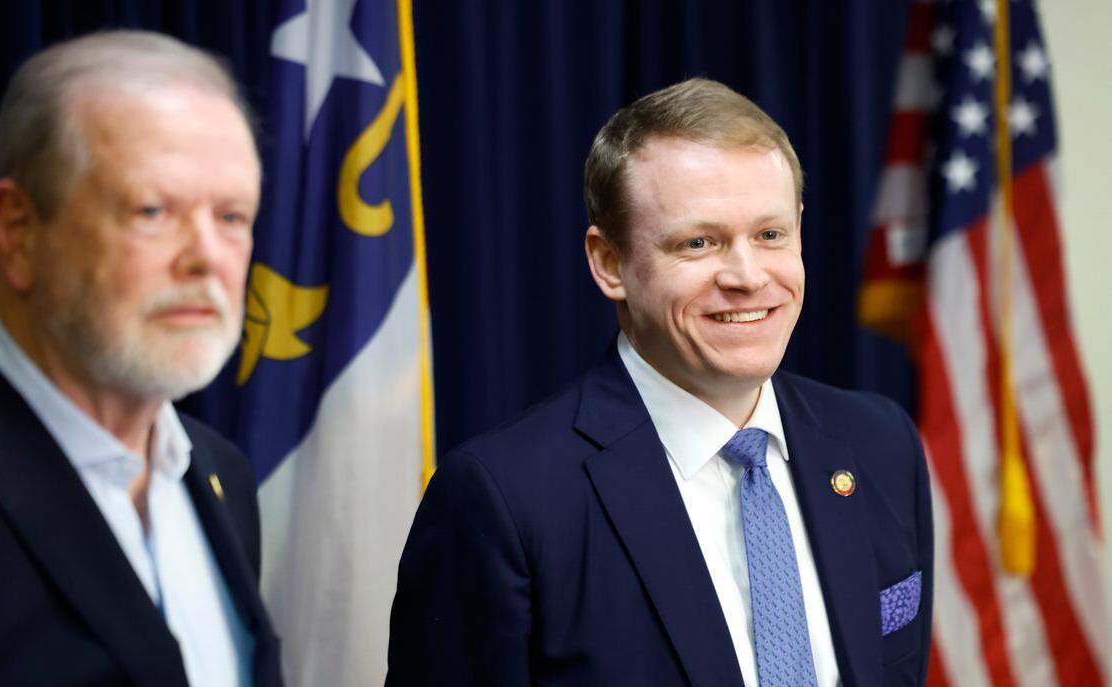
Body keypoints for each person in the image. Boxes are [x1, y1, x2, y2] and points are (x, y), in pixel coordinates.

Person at [387, 78, 932, 686]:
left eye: (770, 235)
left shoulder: (881, 443)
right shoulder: (504, 500)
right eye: (699, 242)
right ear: (609, 263)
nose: (748, 276)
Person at [0, 31, 281, 687]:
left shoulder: (222, 475)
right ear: (17, 231)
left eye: (231, 216)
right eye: (154, 210)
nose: (206, 257)